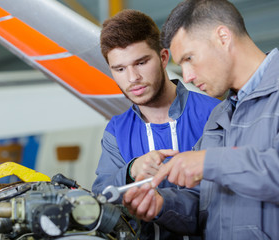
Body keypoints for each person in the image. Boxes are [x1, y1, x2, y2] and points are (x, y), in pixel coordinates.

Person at [122, 0, 279, 239]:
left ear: (223, 37)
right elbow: (207, 205)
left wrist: (211, 161)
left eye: (189, 58)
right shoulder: (220, 115)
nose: (186, 76)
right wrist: (162, 205)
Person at [91, 9, 220, 239]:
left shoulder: (214, 114)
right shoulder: (116, 130)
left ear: (162, 58)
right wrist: (131, 171)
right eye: (119, 69)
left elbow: (226, 200)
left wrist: (162, 204)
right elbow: (100, 199)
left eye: (141, 63)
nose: (132, 78)